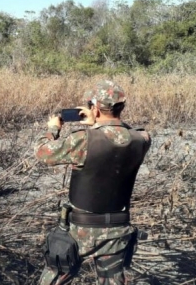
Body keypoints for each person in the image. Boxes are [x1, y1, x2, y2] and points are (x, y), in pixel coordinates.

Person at [34, 80, 151, 285]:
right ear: (121, 107)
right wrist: (98, 124)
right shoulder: (142, 138)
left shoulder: (83, 139)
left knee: (55, 276)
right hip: (117, 229)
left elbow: (43, 152)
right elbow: (121, 137)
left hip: (79, 229)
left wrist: (53, 129)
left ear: (95, 108)